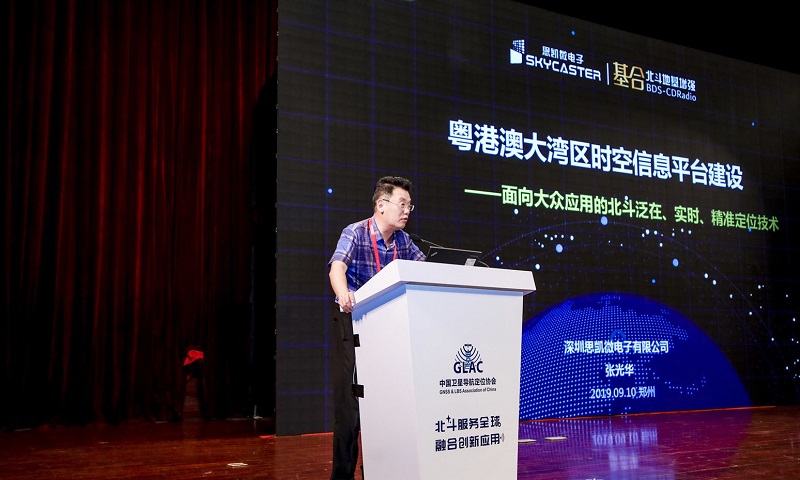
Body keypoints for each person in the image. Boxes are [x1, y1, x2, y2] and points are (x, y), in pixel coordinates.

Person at [327, 175, 426, 480]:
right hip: (354, 321)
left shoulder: (404, 242)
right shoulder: (356, 233)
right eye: (402, 204)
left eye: (410, 206)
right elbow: (337, 267)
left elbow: (425, 269)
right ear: (381, 205)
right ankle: (342, 476)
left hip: (389, 325)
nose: (407, 211)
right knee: (350, 405)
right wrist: (343, 293)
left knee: (385, 404)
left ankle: (379, 471)